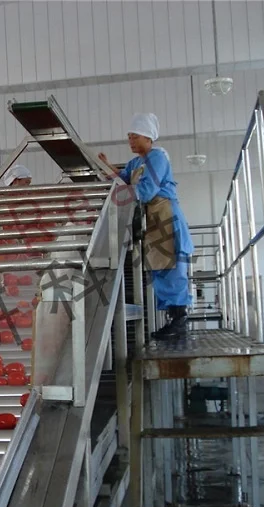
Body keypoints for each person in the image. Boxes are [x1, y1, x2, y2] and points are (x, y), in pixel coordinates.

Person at [98, 113, 194, 340]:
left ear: (148, 138)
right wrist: (106, 167)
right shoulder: (135, 163)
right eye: (129, 137)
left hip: (165, 216)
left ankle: (180, 320)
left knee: (172, 267)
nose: (130, 141)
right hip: (151, 218)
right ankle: (173, 320)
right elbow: (122, 179)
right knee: (160, 266)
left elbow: (147, 190)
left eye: (135, 136)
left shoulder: (157, 156)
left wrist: (116, 200)